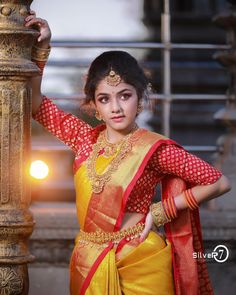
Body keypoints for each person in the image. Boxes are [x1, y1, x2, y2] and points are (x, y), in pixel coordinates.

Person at [25, 11, 231, 295]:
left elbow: (218, 182)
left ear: (140, 97)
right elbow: (35, 104)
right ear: (94, 107)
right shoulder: (83, 137)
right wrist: (41, 48)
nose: (116, 108)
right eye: (104, 99)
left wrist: (161, 212)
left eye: (125, 95)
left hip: (141, 261)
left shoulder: (154, 149)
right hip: (90, 260)